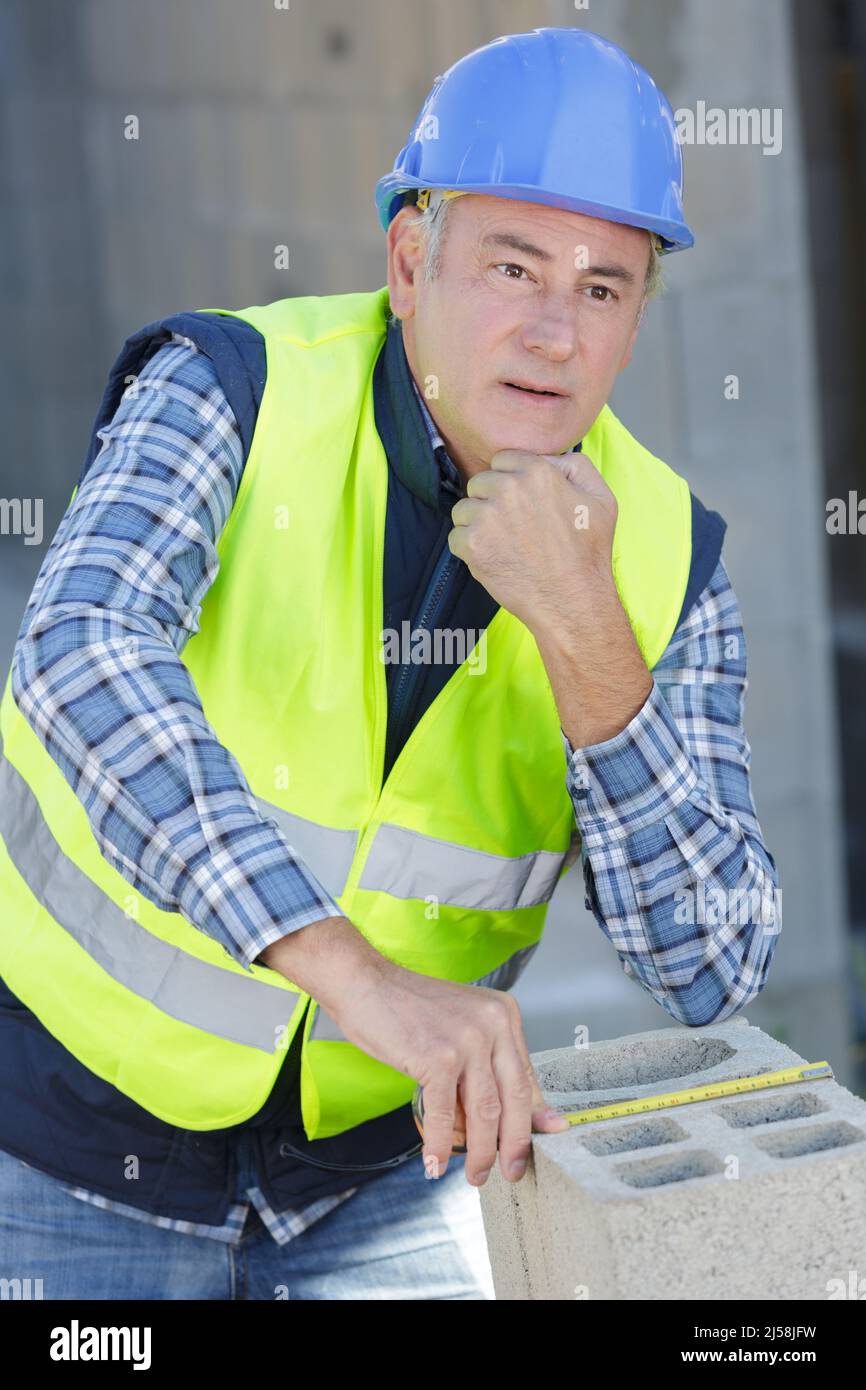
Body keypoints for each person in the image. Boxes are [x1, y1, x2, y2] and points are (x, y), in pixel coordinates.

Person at [0, 27, 780, 1300]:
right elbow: (82, 654)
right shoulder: (233, 390)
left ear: (636, 317)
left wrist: (586, 634)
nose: (550, 331)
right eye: (511, 266)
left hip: (375, 1186)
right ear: (411, 261)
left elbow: (712, 958)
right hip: (70, 1153)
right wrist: (358, 981)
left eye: (600, 288)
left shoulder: (665, 559)